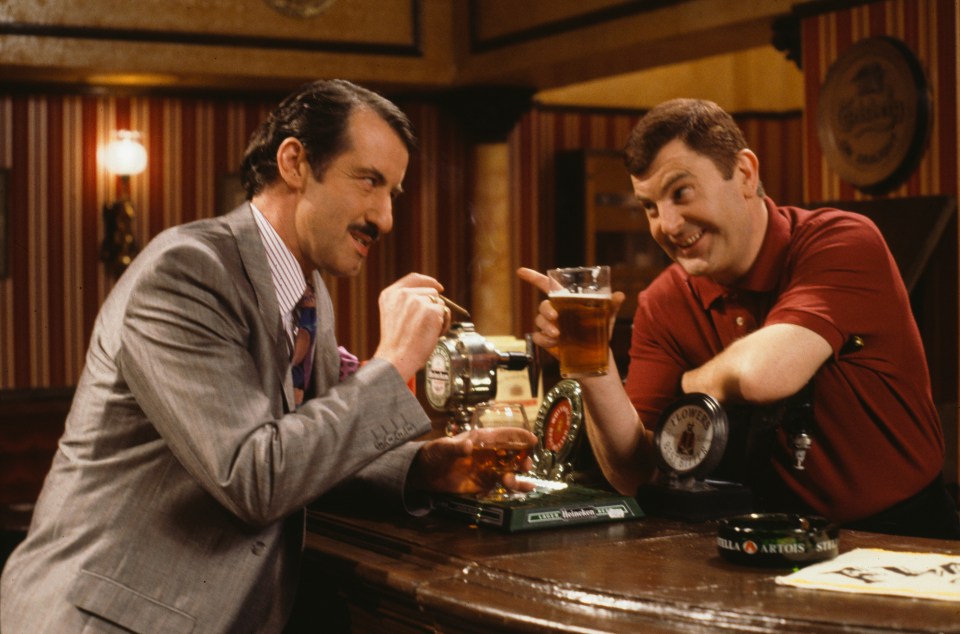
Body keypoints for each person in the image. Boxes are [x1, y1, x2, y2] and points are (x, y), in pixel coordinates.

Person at [1, 79, 534, 633]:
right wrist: (393, 362)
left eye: (392, 194)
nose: (384, 218)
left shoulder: (310, 298)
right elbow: (254, 476)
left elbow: (306, 454)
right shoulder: (185, 272)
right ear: (295, 161)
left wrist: (427, 467)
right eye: (369, 182)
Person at [520, 98, 960, 539]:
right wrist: (594, 367)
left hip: (904, 534)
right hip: (765, 537)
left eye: (681, 192)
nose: (667, 225)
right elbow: (638, 473)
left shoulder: (842, 241)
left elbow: (762, 376)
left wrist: (691, 383)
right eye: (650, 207)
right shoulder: (664, 300)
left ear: (745, 174)